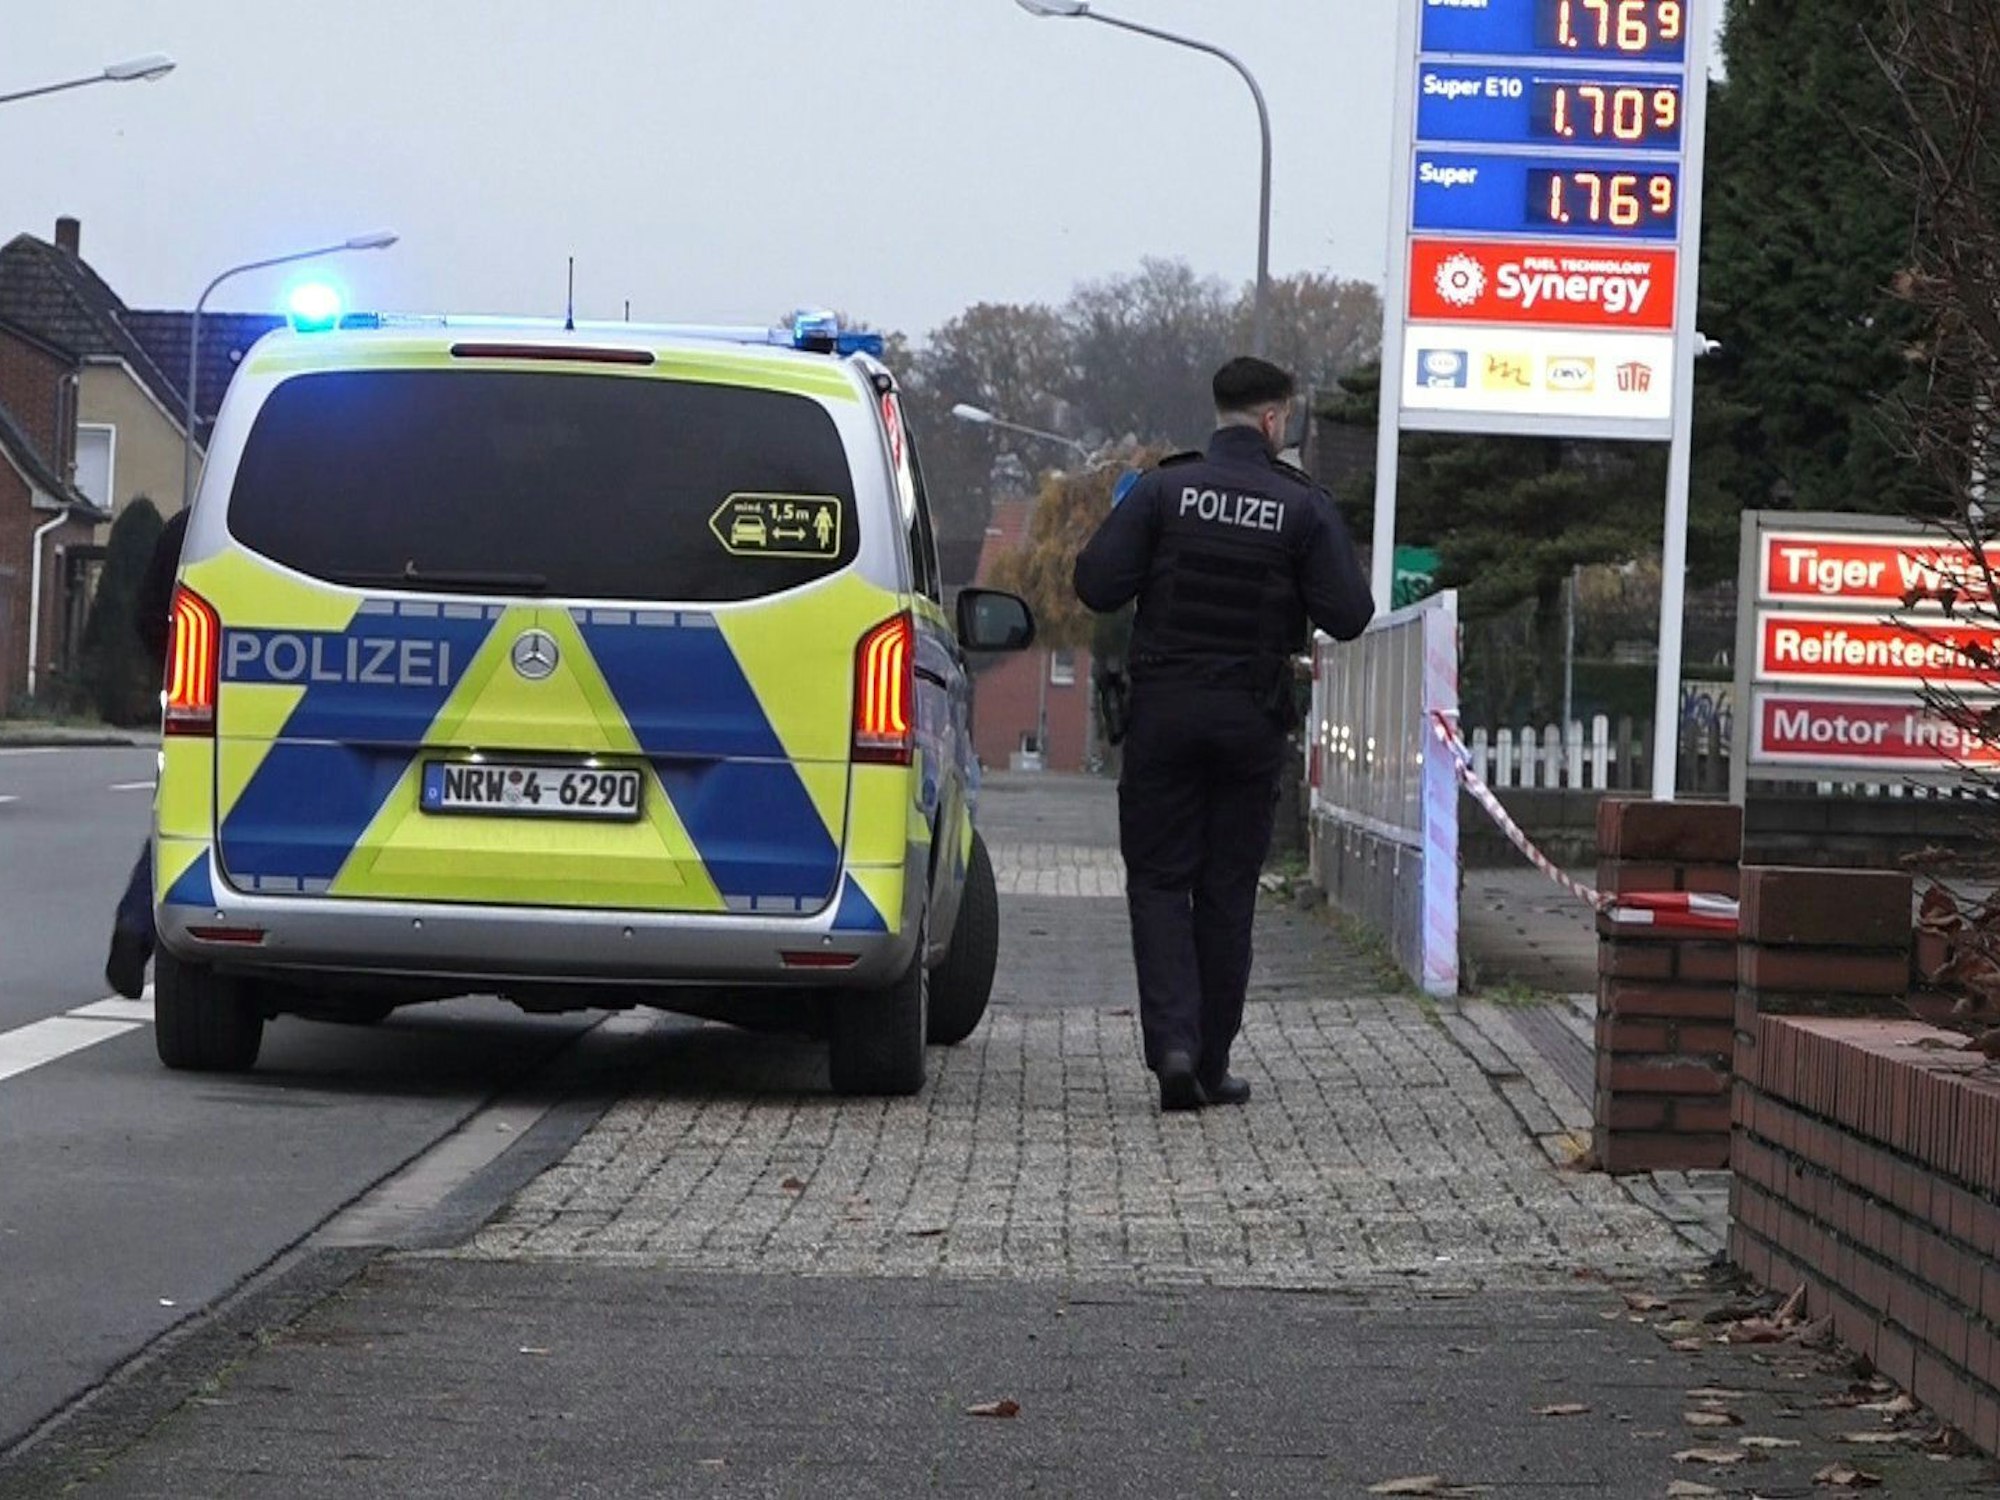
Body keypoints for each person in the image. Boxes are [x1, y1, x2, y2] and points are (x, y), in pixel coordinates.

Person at [1072, 357, 1374, 1112]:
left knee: (1160, 880)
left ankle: (1173, 1046)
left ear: (1221, 414)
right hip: (1249, 721)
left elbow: (1096, 584)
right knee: (1228, 890)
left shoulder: (1163, 490)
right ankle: (1210, 1062)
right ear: (1275, 421)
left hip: (1165, 713)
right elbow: (1350, 614)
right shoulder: (1300, 506)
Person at [105, 505, 189, 1000]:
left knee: (181, 821)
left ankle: (137, 925)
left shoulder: (187, 527)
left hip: (199, 700)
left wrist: (176, 663)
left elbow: (146, 615)